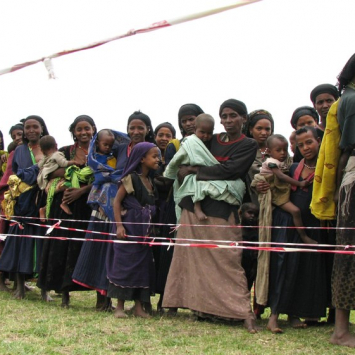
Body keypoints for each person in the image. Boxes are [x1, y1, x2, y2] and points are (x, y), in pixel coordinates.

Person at [163, 99, 258, 333]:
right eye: (223, 116)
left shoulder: (248, 144)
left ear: (244, 118)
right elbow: (186, 159)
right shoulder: (209, 139)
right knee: (189, 258)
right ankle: (197, 308)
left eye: (233, 115)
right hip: (193, 207)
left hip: (221, 210)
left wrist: (196, 171)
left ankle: (242, 313)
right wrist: (190, 170)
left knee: (227, 260)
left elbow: (232, 171)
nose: (227, 120)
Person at [72, 113, 153, 311]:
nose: (135, 132)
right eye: (131, 128)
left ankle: (140, 303)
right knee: (101, 249)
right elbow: (100, 155)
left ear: (148, 130)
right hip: (108, 203)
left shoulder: (152, 152)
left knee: (132, 255)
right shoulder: (119, 148)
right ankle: (102, 300)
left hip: (135, 212)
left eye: (140, 128)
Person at [264, 126, 326, 333]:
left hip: (313, 225)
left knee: (302, 270)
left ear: (319, 140)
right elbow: (272, 183)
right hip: (288, 223)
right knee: (283, 267)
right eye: (300, 144)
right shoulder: (293, 168)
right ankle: (274, 315)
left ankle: (294, 313)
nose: (306, 147)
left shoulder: (327, 167)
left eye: (309, 142)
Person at [37, 115, 96, 306]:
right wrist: (71, 173)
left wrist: (82, 190)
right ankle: (63, 294)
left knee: (84, 247)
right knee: (61, 246)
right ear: (73, 133)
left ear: (93, 129)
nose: (83, 132)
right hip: (64, 205)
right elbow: (49, 171)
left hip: (87, 204)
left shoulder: (100, 150)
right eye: (79, 129)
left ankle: (97, 297)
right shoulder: (64, 152)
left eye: (86, 128)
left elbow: (102, 177)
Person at [106, 142, 160, 318]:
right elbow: (117, 202)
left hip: (143, 233)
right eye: (154, 156)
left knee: (142, 267)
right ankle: (120, 307)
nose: (158, 159)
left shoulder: (149, 180)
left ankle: (138, 307)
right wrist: (119, 225)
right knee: (125, 265)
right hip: (129, 229)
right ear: (142, 158)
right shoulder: (131, 178)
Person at [0, 115, 49, 300]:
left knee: (43, 246)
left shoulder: (49, 147)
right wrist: (40, 166)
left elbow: (56, 170)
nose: (31, 130)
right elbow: (21, 174)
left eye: (35, 127)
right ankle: (19, 287)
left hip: (43, 203)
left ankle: (45, 290)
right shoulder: (20, 151)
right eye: (27, 127)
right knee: (21, 244)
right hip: (23, 204)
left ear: (42, 128)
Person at [164, 114, 245, 222]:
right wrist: (171, 172)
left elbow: (211, 162)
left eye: (209, 133)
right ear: (195, 130)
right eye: (202, 132)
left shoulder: (213, 143)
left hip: (207, 173)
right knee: (195, 183)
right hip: (192, 173)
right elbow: (178, 158)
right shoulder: (190, 142)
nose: (206, 136)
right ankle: (197, 207)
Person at [329, 53, 355, 348]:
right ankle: (340, 331)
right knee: (349, 255)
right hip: (353, 183)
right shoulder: (351, 100)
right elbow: (348, 147)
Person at [252, 134, 313, 244]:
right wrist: (300, 184)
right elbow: (281, 176)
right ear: (269, 152)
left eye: (285, 150)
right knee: (295, 211)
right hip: (276, 192)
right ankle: (304, 237)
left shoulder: (284, 162)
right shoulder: (272, 162)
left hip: (279, 190)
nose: (283, 153)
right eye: (278, 150)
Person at [37, 136, 83, 218]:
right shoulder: (57, 154)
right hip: (58, 182)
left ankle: (44, 209)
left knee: (51, 197)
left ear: (42, 150)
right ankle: (64, 203)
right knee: (71, 186)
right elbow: (63, 163)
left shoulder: (44, 158)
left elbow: (39, 165)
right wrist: (73, 162)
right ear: (56, 145)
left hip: (48, 184)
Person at [243, 109, 274, 205]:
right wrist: (255, 186)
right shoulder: (244, 151)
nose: (264, 133)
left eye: (267, 129)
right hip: (250, 203)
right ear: (251, 130)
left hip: (276, 201)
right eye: (259, 128)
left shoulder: (277, 150)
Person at [240, 202, 259, 291]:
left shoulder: (256, 233)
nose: (252, 216)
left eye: (255, 214)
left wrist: (254, 268)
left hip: (249, 267)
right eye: (250, 213)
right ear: (241, 213)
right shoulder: (236, 231)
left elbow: (256, 253)